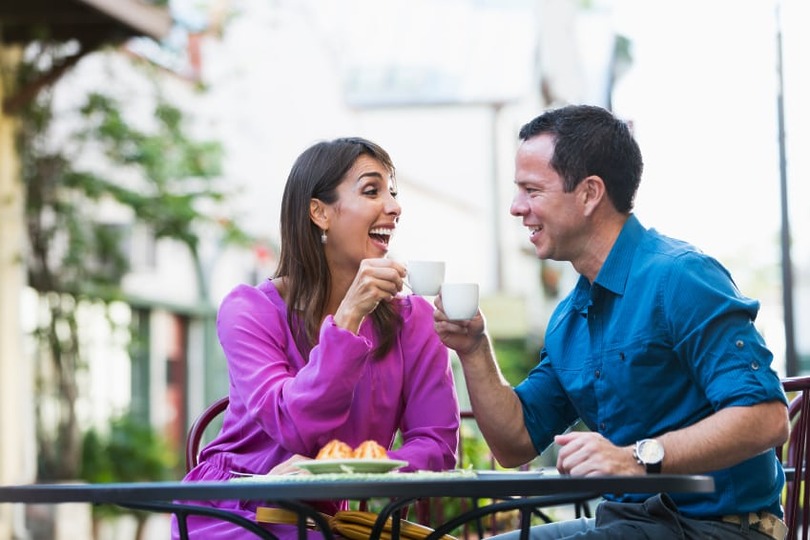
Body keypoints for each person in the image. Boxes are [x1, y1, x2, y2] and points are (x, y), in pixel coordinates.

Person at [434, 104, 789, 540]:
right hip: (629, 526)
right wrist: (474, 348)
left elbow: (766, 418)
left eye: (532, 190)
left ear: (589, 193)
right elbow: (514, 443)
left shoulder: (680, 277)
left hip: (719, 530)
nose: (515, 207)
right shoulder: (570, 317)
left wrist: (637, 458)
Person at [172, 137, 460, 539]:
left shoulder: (414, 322)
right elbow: (296, 427)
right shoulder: (249, 310)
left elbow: (437, 447)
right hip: (235, 512)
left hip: (322, 522)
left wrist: (354, 471)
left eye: (392, 194)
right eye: (372, 190)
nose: (394, 208)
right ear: (319, 212)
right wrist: (348, 318)